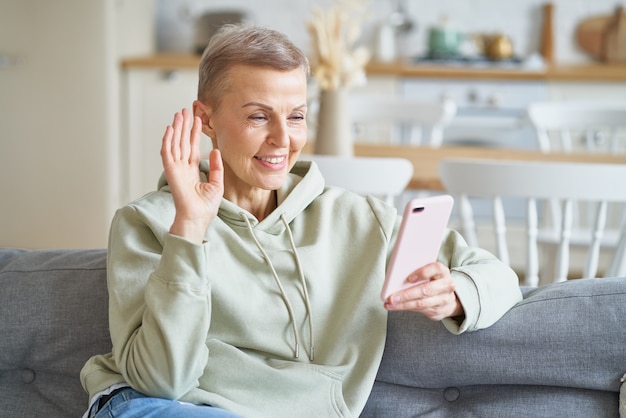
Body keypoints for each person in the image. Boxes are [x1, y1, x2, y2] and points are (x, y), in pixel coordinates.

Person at [80, 24, 522, 418]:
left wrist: (457, 293)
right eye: (258, 116)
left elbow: (498, 275)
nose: (282, 138)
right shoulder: (148, 223)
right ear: (206, 119)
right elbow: (160, 381)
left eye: (295, 116)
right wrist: (191, 230)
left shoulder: (357, 218)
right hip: (160, 405)